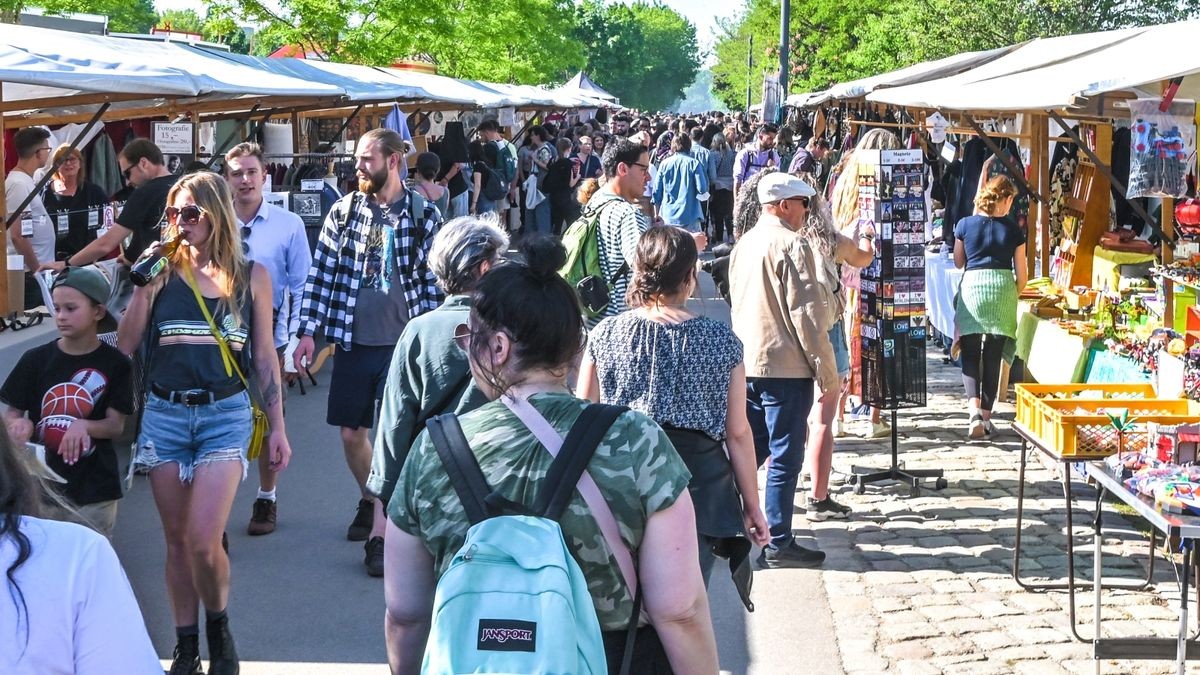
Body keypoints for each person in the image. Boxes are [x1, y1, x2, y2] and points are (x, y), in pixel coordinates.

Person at [383, 236, 718, 674]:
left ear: (498, 347)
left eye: (469, 337)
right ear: (575, 347)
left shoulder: (435, 448)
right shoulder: (635, 439)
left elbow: (405, 613)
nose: (467, 348)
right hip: (616, 656)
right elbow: (679, 609)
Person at [117, 171, 292, 675]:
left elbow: (264, 358)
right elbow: (127, 344)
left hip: (225, 414)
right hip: (166, 415)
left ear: (215, 214)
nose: (179, 223)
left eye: (189, 213)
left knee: (201, 538)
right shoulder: (163, 273)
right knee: (176, 541)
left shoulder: (251, 275)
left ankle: (219, 625)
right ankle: (187, 646)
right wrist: (144, 289)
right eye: (172, 214)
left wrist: (277, 427)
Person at [578, 226, 770, 588]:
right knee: (685, 604)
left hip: (621, 483)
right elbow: (738, 432)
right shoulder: (721, 341)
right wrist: (751, 504)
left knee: (623, 600)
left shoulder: (604, 335)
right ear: (690, 276)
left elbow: (583, 418)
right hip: (697, 487)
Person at [294, 128, 443, 577]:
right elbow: (320, 276)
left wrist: (438, 337)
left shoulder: (422, 214)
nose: (357, 166)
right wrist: (307, 333)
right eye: (357, 159)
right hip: (353, 341)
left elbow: (437, 282)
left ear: (394, 161)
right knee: (350, 434)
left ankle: (381, 532)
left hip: (403, 345)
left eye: (365, 159)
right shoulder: (344, 211)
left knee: (393, 436)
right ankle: (371, 495)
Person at [728, 172, 836, 569]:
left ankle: (722, 520)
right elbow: (807, 315)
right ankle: (778, 540)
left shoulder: (746, 244)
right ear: (785, 205)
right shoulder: (791, 244)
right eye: (804, 204)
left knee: (750, 449)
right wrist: (827, 371)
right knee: (784, 455)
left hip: (748, 360)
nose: (807, 212)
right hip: (784, 365)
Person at [367, 215, 506, 513]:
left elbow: (396, 417)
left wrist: (387, 488)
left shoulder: (419, 329)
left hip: (429, 478)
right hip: (495, 476)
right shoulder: (508, 328)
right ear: (484, 268)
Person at [0, 424, 161, 674]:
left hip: (90, 486)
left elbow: (116, 423)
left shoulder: (80, 556)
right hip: (52, 496)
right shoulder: (80, 555)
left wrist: (85, 426)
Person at [2, 266, 132, 538]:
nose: (60, 316)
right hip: (41, 488)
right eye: (57, 308)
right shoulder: (35, 359)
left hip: (95, 490)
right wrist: (19, 424)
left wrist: (84, 426)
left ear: (98, 312)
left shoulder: (116, 363)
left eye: (71, 308)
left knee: (89, 566)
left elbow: (115, 425)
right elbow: (12, 414)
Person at [223, 142, 312, 536]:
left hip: (269, 335)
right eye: (236, 173)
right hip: (219, 335)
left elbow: (300, 285)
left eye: (251, 172)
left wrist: (292, 344)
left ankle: (266, 496)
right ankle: (217, 513)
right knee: (223, 424)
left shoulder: (287, 224)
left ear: (264, 176)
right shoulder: (214, 221)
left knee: (269, 419)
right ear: (227, 179)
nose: (244, 180)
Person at [830, 129, 902, 438]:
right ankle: (875, 417)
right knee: (878, 344)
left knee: (850, 341)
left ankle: (839, 416)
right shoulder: (880, 177)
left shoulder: (846, 175)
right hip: (877, 272)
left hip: (847, 274)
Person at [953, 175, 1026, 438]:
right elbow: (1023, 276)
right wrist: (1010, 293)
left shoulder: (964, 225)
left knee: (971, 354)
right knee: (994, 357)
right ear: (1005, 199)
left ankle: (973, 413)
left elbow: (958, 262)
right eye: (1011, 201)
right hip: (1002, 291)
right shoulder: (1014, 230)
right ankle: (985, 418)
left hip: (972, 290)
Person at [46, 139, 177, 272]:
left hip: (156, 276)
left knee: (64, 291)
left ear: (143, 163)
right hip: (187, 275)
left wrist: (66, 263)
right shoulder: (183, 185)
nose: (127, 182)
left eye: (127, 173)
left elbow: (106, 243)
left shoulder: (144, 193)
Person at [583, 138, 652, 326]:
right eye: (644, 170)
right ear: (622, 169)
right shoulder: (627, 213)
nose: (649, 177)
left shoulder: (595, 200)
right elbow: (645, 269)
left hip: (594, 321)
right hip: (621, 326)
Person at [7, 126, 54, 309]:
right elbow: (18, 236)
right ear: (38, 153)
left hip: (35, 273)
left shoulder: (25, 181)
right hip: (28, 275)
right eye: (47, 150)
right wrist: (37, 271)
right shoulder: (18, 184)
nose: (48, 154)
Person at [43, 144, 111, 263]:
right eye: (63, 160)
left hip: (87, 261)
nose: (68, 163)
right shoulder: (44, 194)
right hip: (53, 262)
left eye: (72, 159)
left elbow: (107, 226)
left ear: (80, 163)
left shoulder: (94, 193)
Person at [652, 133, 709, 233]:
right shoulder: (694, 163)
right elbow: (702, 189)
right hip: (690, 215)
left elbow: (657, 191)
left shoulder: (664, 164)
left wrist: (656, 213)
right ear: (689, 144)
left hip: (668, 216)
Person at [542, 138, 581, 236]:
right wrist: (578, 177)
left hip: (554, 197)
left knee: (556, 223)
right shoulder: (568, 163)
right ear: (569, 148)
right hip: (566, 197)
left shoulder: (553, 160)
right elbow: (571, 184)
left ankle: (555, 241)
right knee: (571, 223)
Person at [733, 123, 780, 195]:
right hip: (747, 197)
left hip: (766, 198)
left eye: (774, 139)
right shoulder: (745, 154)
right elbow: (737, 181)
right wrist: (736, 204)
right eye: (770, 138)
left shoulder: (774, 156)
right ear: (760, 137)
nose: (773, 142)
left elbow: (776, 182)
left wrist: (772, 169)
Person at [708, 131, 737, 245]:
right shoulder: (732, 154)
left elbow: (713, 173)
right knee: (729, 212)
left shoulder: (712, 154)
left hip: (718, 186)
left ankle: (720, 238)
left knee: (718, 213)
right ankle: (730, 235)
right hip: (730, 185)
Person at [526, 125, 555, 234]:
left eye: (533, 135)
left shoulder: (544, 149)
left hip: (540, 183)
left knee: (541, 210)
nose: (531, 138)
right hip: (537, 182)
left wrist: (535, 159)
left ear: (538, 136)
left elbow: (547, 166)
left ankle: (543, 235)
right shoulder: (540, 149)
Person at [412, 151, 450, 217]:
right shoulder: (445, 191)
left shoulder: (413, 192)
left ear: (418, 170)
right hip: (441, 227)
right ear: (437, 170)